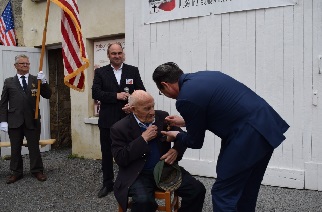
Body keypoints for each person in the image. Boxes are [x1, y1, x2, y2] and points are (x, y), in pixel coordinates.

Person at [152, 62, 290, 212]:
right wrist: (186, 122)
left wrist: (177, 134)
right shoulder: (206, 76)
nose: (165, 95)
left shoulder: (185, 99)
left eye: (161, 92)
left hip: (246, 137)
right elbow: (220, 110)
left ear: (165, 85)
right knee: (248, 187)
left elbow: (195, 141)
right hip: (266, 127)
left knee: (224, 192)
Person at [111, 90, 206, 212]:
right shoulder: (119, 128)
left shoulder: (162, 116)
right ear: (133, 109)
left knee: (197, 190)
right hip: (138, 174)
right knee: (144, 202)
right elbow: (121, 158)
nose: (152, 112)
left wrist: (176, 149)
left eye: (153, 106)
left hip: (164, 170)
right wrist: (143, 139)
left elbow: (181, 135)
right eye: (147, 108)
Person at [92, 42, 146, 198]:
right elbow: (96, 93)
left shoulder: (132, 71)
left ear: (123, 54)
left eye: (119, 53)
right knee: (107, 153)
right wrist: (116, 96)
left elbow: (141, 91)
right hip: (108, 120)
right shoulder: (101, 72)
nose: (117, 56)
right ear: (108, 55)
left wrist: (133, 103)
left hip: (129, 119)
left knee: (133, 151)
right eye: (113, 53)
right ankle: (107, 183)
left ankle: (132, 182)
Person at [0, 54, 52, 184]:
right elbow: (3, 102)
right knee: (15, 148)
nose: (25, 65)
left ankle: (37, 170)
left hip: (32, 119)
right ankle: (16, 172)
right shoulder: (9, 82)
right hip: (14, 120)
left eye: (27, 63)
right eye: (22, 63)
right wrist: (3, 120)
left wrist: (44, 82)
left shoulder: (36, 80)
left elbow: (47, 95)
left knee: (34, 147)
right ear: (16, 66)